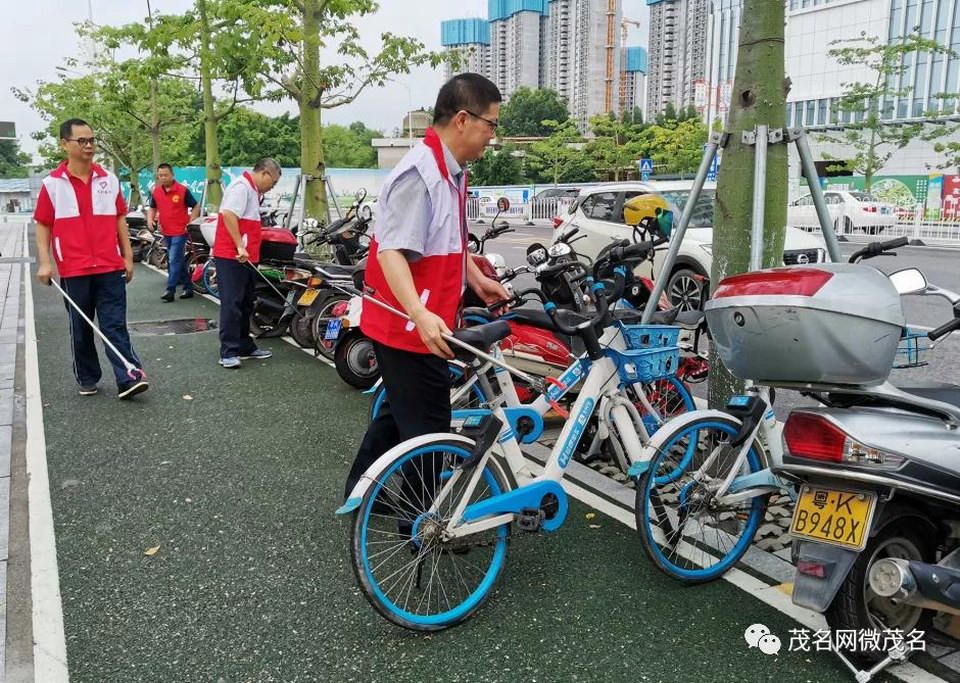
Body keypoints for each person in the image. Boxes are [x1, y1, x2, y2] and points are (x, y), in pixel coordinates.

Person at [343, 73, 510, 503]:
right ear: (462, 119)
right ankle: (421, 525)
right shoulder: (420, 173)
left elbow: (449, 239)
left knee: (399, 416)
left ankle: (364, 493)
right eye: (490, 124)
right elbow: (390, 254)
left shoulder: (451, 170)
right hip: (407, 325)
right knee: (429, 428)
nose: (493, 135)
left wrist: (477, 279)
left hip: (420, 320)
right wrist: (419, 314)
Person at [33, 118, 148, 399]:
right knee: (80, 326)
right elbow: (44, 224)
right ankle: (87, 376)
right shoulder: (52, 185)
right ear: (64, 144)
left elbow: (119, 218)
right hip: (74, 269)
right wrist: (45, 262)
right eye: (81, 141)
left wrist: (128, 255)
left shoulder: (108, 180)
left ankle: (128, 376)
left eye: (91, 140)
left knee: (115, 324)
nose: (88, 146)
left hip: (110, 266)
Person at [213, 158, 281, 368]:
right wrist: (239, 246)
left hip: (247, 257)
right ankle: (228, 351)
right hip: (232, 255)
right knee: (232, 303)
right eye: (274, 182)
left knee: (245, 302)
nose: (272, 187)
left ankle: (244, 345)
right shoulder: (241, 187)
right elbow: (228, 214)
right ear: (265, 174)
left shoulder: (254, 191)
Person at [147, 163, 201, 301]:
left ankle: (170, 290)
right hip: (166, 231)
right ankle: (188, 288)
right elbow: (152, 208)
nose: (163, 178)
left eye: (165, 175)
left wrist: (190, 222)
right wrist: (150, 220)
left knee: (174, 259)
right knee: (177, 260)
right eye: (160, 175)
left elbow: (195, 206)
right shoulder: (157, 191)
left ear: (172, 175)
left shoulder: (182, 190)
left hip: (180, 231)